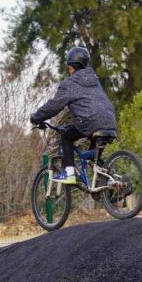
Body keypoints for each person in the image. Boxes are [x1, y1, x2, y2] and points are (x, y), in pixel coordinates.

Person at [30, 47, 117, 185]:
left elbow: (54, 105)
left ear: (70, 66)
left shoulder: (69, 84)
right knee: (92, 156)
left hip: (90, 121)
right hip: (110, 120)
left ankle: (69, 173)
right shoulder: (95, 80)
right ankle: (105, 182)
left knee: (66, 135)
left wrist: (36, 118)